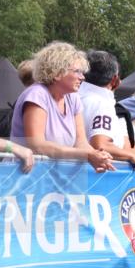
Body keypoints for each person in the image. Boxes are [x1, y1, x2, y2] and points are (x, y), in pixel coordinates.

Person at [10, 42, 114, 172]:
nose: (82, 77)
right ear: (57, 72)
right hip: (24, 175)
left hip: (53, 176)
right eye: (77, 71)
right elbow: (37, 145)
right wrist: (88, 155)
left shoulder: (73, 98)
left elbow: (80, 143)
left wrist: (99, 156)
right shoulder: (36, 95)